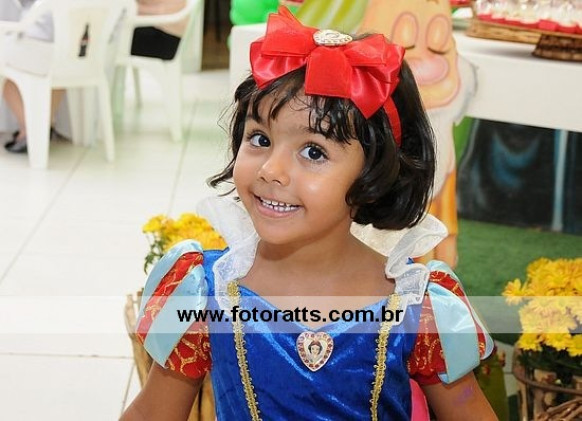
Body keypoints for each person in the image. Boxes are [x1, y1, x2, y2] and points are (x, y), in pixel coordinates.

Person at [122, 7, 497, 420]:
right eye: (259, 138)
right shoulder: (203, 293)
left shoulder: (416, 306)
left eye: (314, 152)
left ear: (373, 174)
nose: (271, 170)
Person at [1, 0, 64, 154]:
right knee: (58, 81)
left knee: (8, 83)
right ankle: (43, 126)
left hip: (38, 45)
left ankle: (30, 130)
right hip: (74, 53)